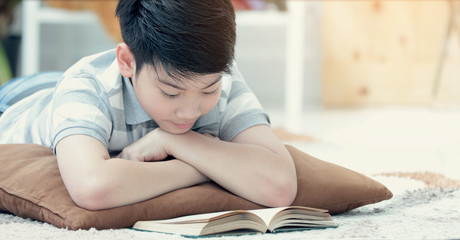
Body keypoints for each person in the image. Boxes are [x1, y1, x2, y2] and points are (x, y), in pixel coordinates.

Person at [0, 0, 297, 210]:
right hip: (19, 101)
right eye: (171, 93)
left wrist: (175, 141)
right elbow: (92, 187)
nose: (190, 112)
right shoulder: (86, 84)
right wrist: (202, 166)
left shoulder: (219, 78)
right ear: (127, 62)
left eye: (209, 90)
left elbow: (280, 186)